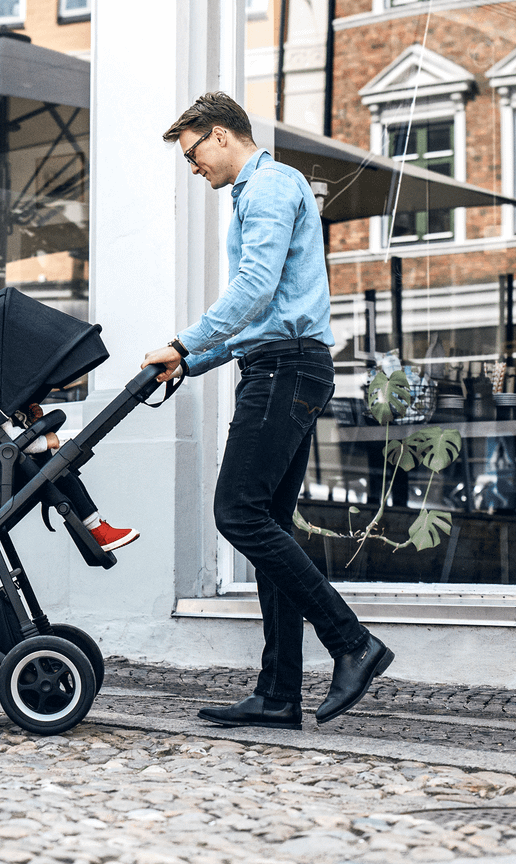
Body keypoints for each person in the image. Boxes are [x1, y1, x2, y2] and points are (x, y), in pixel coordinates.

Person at [142, 91, 393, 729]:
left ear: (222, 135)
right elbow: (265, 313)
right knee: (269, 523)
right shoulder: (257, 193)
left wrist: (181, 341)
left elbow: (254, 290)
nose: (193, 168)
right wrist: (191, 362)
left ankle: (352, 642)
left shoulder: (271, 188)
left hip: (285, 371)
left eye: (194, 153)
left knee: (238, 513)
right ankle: (279, 693)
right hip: (280, 364)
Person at [3, 402, 139, 552]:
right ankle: (98, 531)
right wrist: (46, 441)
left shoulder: (4, 405)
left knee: (66, 474)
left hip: (25, 466)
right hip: (15, 472)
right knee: (62, 478)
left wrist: (30, 421)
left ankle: (97, 526)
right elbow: (13, 441)